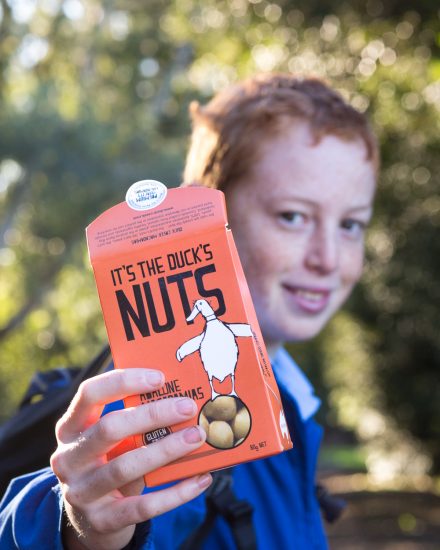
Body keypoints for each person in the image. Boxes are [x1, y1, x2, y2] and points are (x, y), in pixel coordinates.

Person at [0, 73, 378, 549]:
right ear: (205, 218)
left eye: (351, 224)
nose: (328, 258)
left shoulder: (286, 395)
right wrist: (83, 529)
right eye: (292, 217)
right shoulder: (158, 402)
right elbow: (116, 508)